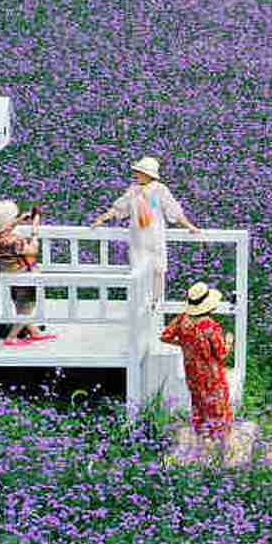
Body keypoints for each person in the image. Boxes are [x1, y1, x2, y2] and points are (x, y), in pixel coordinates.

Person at [92, 156, 201, 305]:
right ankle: (138, 303)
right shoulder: (133, 191)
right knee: (138, 269)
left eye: (139, 172)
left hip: (155, 235)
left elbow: (173, 210)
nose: (136, 175)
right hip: (138, 237)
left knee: (158, 269)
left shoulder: (160, 190)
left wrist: (189, 226)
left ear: (148, 175)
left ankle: (156, 301)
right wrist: (102, 218)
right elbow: (119, 207)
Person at [161, 281, 234, 439]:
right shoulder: (209, 326)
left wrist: (183, 343)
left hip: (192, 372)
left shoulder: (183, 320)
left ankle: (202, 439)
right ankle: (220, 443)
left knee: (198, 403)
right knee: (217, 404)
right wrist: (229, 341)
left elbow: (165, 336)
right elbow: (221, 354)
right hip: (211, 374)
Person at [0, 199, 52, 344]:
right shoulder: (14, 242)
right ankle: (11, 337)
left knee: (20, 303)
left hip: (7, 274)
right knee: (28, 306)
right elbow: (33, 251)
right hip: (23, 275)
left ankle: (34, 332)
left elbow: (2, 230)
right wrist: (35, 230)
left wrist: (19, 220)